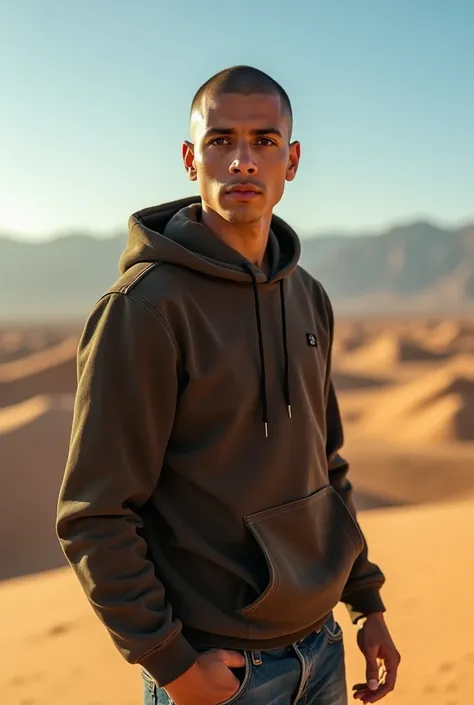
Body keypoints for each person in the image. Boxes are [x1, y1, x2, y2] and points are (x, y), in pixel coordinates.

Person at [56, 65, 400, 705]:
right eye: (222, 141)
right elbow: (95, 514)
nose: (243, 160)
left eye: (265, 141)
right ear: (191, 158)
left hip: (321, 649)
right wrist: (174, 666)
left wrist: (366, 603)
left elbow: (325, 467)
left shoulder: (308, 297)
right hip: (224, 672)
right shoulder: (145, 309)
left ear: (291, 161)